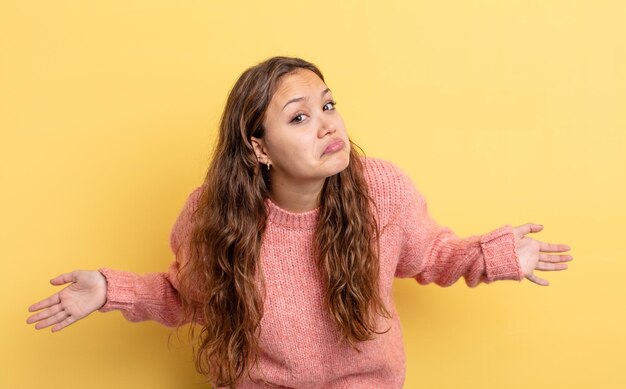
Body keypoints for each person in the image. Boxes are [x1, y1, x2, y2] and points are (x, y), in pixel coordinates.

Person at [26, 56, 572, 389]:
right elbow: (185, 296)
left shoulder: (381, 190)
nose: (327, 125)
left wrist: (495, 256)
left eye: (328, 105)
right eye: (299, 117)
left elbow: (430, 254)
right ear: (258, 148)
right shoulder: (210, 214)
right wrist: (107, 289)